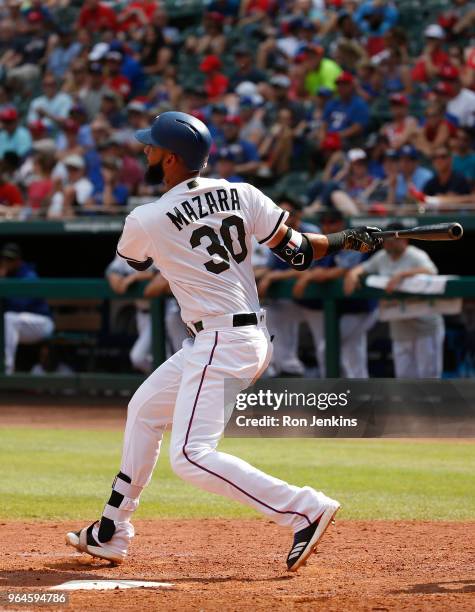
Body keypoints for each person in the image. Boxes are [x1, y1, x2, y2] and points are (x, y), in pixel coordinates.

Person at [65, 110, 381, 572]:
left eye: (152, 147)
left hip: (221, 339)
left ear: (172, 158)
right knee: (145, 408)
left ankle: (304, 508)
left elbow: (134, 263)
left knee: (192, 455)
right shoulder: (242, 192)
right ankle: (112, 528)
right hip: (234, 336)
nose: (146, 152)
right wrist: (342, 240)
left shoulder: (146, 216)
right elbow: (295, 252)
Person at [344, 223, 444, 378]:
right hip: (399, 327)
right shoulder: (382, 257)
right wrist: (352, 274)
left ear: (405, 240)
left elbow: (431, 271)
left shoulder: (415, 255)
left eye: (393, 239)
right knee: (404, 382)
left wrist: (402, 275)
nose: (388, 243)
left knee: (429, 380)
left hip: (425, 327)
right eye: (386, 239)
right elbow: (363, 268)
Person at [0, 242, 54, 374]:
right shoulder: (7, 275)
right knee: (8, 320)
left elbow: (19, 305)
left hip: (42, 324)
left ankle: (7, 368)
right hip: (20, 325)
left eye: (11, 259)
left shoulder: (29, 276)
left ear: (18, 261)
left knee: (8, 318)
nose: (7, 262)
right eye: (5, 259)